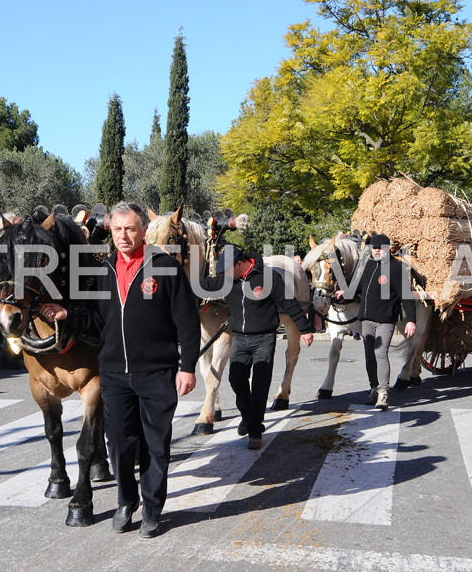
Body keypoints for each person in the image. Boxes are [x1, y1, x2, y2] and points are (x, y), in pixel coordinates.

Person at [40, 201, 200, 539]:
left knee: (156, 445)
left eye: (130, 229)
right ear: (110, 232)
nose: (123, 235)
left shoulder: (165, 266)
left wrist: (187, 367)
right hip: (114, 375)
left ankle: (153, 509)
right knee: (119, 446)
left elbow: (187, 321)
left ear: (142, 231)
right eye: (117, 229)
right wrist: (66, 314)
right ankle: (126, 501)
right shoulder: (105, 271)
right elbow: (97, 321)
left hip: (157, 372)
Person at [200, 246, 314, 448]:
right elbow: (201, 286)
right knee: (236, 379)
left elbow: (289, 302)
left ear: (239, 264)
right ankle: (247, 415)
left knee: (260, 385)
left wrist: (305, 329)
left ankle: (255, 431)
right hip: (240, 338)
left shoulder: (267, 277)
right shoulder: (228, 279)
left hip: (264, 338)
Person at [335, 233, 416, 410]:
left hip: (385, 321)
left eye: (380, 248)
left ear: (387, 249)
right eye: (374, 248)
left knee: (380, 354)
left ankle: (383, 392)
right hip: (367, 320)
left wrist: (410, 320)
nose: (376, 251)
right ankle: (373, 388)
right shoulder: (368, 264)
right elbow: (358, 286)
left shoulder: (396, 268)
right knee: (369, 356)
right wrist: (346, 294)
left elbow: (407, 297)